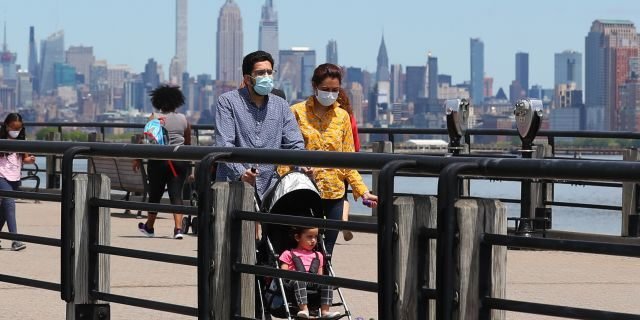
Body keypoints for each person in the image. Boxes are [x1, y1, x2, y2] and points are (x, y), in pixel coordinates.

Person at [287, 63, 378, 255]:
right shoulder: (296, 111)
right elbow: (285, 153)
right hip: (304, 190)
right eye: (325, 89)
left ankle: (325, 285)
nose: (330, 94)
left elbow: (348, 159)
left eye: (335, 90)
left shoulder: (342, 116)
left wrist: (363, 192)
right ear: (314, 86)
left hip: (334, 192)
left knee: (327, 251)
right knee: (304, 248)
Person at [215, 50, 305, 202]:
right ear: (248, 79)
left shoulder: (281, 105)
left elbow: (295, 143)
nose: (267, 77)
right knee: (238, 225)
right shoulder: (227, 101)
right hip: (233, 185)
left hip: (269, 185)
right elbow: (224, 144)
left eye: (270, 72)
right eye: (261, 73)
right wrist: (242, 173)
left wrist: (303, 165)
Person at [135, 85, 191, 239]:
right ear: (177, 101)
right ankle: (178, 229)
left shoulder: (154, 117)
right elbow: (188, 143)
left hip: (158, 161)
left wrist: (136, 159)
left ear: (157, 101)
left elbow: (144, 139)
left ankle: (150, 227)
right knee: (176, 194)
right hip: (179, 161)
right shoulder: (183, 119)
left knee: (155, 194)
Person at [279, 227, 340, 319]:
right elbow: (284, 274)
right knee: (299, 281)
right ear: (297, 237)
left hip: (313, 280)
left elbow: (320, 275)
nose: (313, 240)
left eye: (315, 237)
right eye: (309, 237)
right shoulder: (288, 254)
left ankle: (325, 311)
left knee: (326, 281)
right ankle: (304, 309)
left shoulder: (318, 255)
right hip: (294, 281)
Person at [0, 113, 36, 251]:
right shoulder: (1, 139)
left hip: (15, 178)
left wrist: (30, 160)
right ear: (7, 126)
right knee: (9, 204)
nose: (16, 131)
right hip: (1, 176)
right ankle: (15, 240)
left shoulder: (22, 140)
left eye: (18, 128)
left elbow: (24, 158)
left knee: (3, 211)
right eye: (13, 128)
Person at [336, 88, 359, 242]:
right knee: (343, 194)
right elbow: (355, 139)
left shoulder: (337, 115)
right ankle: (344, 221)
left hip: (325, 161)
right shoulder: (348, 115)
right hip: (345, 160)